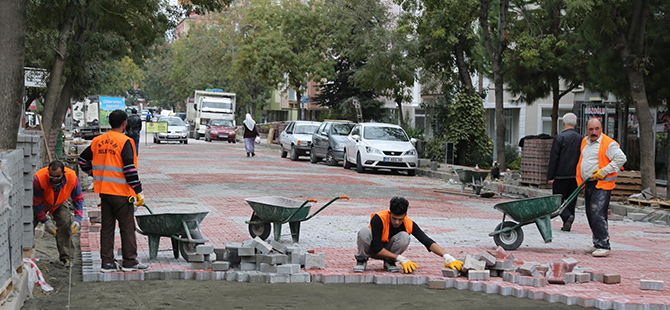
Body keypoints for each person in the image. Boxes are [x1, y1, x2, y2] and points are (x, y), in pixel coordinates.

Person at [78, 109, 147, 272]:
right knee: (127, 227)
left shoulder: (98, 140)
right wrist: (138, 190)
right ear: (124, 123)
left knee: (107, 228)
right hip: (122, 192)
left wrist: (95, 173)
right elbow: (129, 169)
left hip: (105, 192)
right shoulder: (125, 141)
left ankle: (107, 263)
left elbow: (82, 160)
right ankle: (130, 261)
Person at [353, 197, 463, 273]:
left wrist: (447, 257)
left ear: (405, 215)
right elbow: (377, 248)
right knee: (364, 232)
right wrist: (402, 259)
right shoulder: (379, 218)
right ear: (389, 213)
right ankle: (361, 260)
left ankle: (390, 262)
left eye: (400, 219)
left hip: (388, 253)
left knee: (405, 236)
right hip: (372, 249)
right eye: (394, 218)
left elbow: (427, 241)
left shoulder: (408, 223)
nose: (396, 222)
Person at [576, 118, 627, 257]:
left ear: (601, 128)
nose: (594, 132)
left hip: (603, 183)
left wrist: (603, 171)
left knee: (598, 213)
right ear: (586, 129)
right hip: (590, 182)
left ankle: (604, 244)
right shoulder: (585, 142)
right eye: (591, 129)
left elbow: (621, 159)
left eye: (597, 129)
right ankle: (597, 242)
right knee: (590, 213)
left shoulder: (609, 144)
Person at [33, 160, 84, 267]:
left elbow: (78, 199)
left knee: (65, 222)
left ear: (63, 173)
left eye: (57, 176)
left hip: (60, 202)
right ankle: (24, 252)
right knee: (29, 222)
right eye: (51, 176)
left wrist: (78, 219)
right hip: (43, 201)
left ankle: (67, 258)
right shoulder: (39, 178)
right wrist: (45, 221)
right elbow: (37, 203)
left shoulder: (72, 178)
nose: (54, 179)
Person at [547, 112, 583, 231]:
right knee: (571, 199)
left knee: (558, 199)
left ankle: (567, 216)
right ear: (576, 123)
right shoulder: (581, 139)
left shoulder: (559, 138)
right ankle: (568, 221)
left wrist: (550, 176)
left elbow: (554, 158)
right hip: (575, 175)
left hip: (560, 175)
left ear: (563, 123)